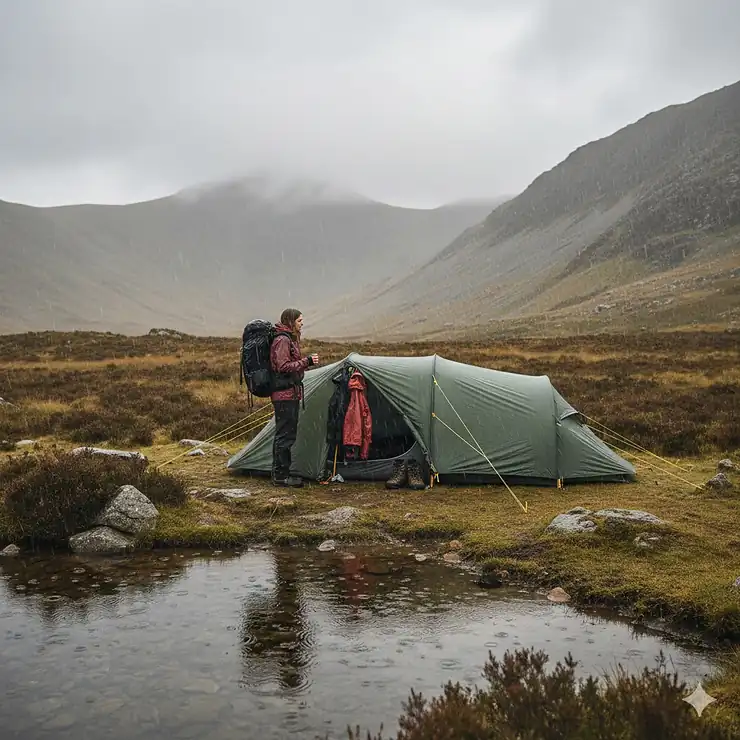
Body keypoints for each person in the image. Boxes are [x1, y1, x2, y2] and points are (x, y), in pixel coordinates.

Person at [270, 308, 319, 487]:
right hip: (285, 395)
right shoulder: (282, 340)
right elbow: (282, 366)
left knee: (285, 434)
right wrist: (307, 361)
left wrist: (304, 364)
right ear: (291, 322)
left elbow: (290, 367)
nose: (302, 323)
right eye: (299, 320)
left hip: (289, 394)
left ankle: (281, 474)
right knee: (285, 436)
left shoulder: (288, 339)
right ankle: (281, 476)